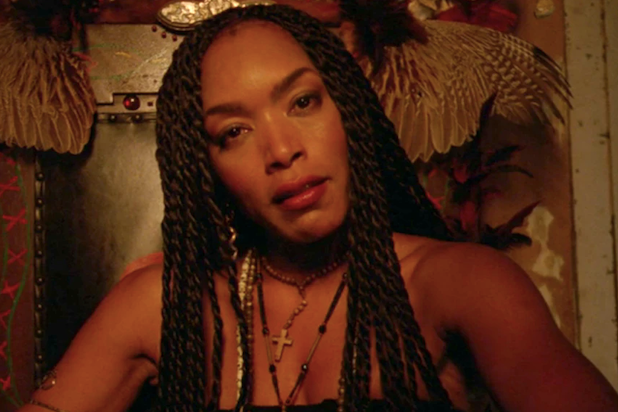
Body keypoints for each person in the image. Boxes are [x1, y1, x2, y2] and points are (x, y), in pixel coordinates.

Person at [20, 4, 618, 412]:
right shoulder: (164, 303)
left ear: (348, 112)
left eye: (302, 102)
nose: (282, 150)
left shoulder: (461, 285)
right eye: (233, 132)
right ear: (206, 169)